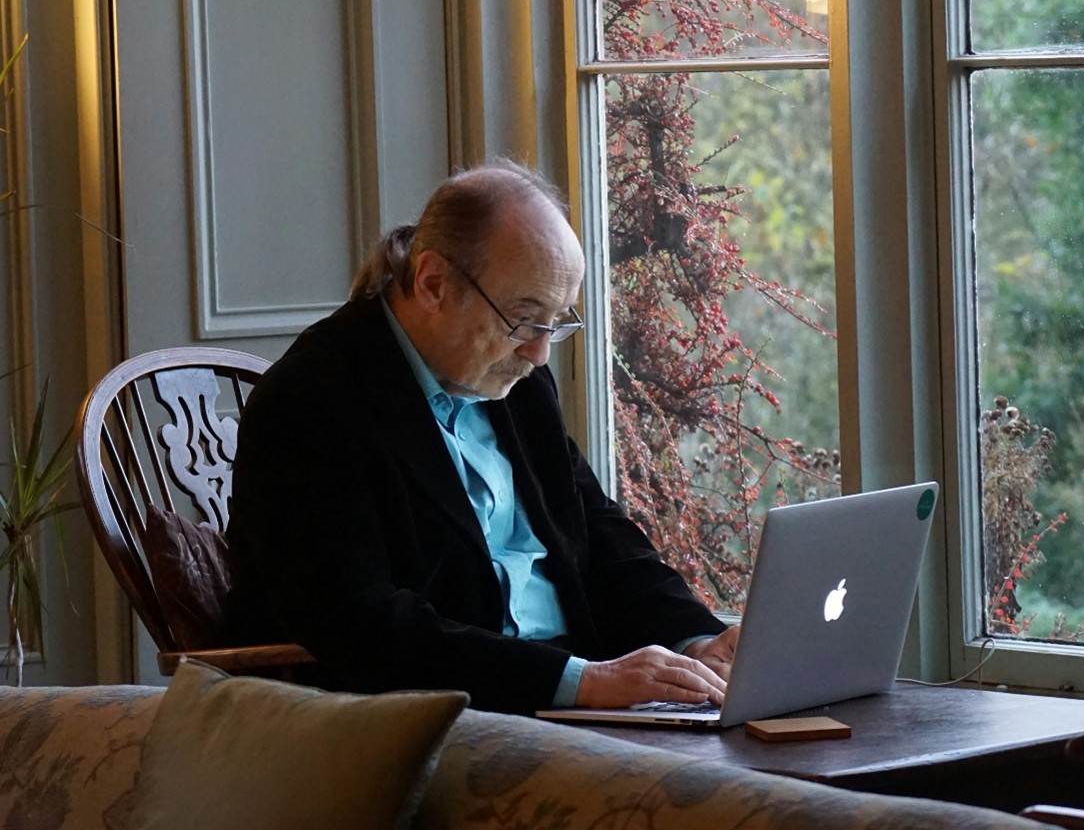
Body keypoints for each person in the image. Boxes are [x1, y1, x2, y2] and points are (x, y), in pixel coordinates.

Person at [226, 161, 738, 714]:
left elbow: (596, 532)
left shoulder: (517, 382)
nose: (540, 353)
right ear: (432, 284)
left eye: (555, 322)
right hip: (436, 721)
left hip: (574, 700)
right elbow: (364, 624)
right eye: (523, 319)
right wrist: (581, 682)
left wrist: (697, 640)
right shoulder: (310, 402)